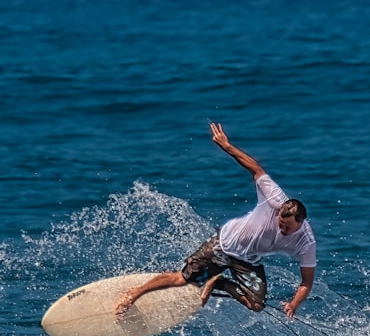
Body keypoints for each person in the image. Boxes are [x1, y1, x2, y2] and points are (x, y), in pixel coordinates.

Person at [115, 122, 316, 319]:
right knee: (181, 279)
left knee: (256, 305)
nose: (281, 228)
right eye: (280, 222)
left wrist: (293, 304)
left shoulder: (306, 243)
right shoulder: (276, 200)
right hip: (223, 244)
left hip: (248, 261)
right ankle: (135, 293)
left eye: (287, 227)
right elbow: (256, 169)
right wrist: (227, 147)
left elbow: (306, 282)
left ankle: (217, 281)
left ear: (301, 221)